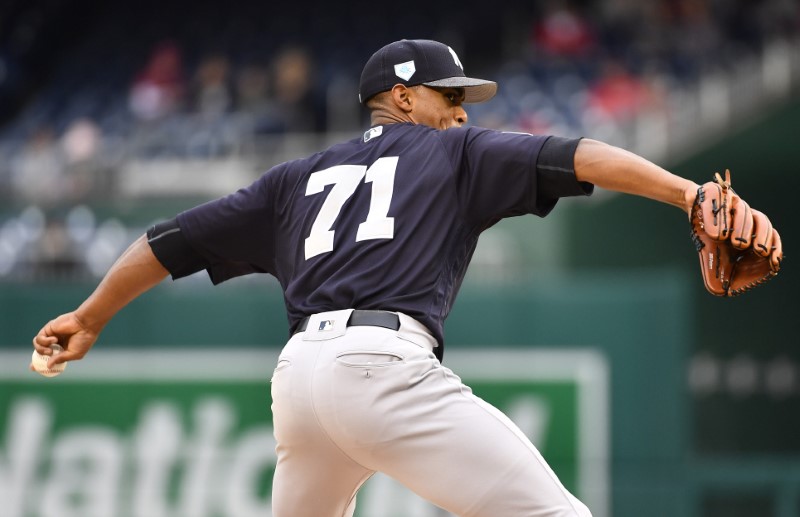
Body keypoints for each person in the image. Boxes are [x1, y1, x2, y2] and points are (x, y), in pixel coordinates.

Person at [30, 39, 774, 517]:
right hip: (382, 369)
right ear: (403, 97)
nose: (460, 112)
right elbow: (576, 155)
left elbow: (168, 241)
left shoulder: (296, 176)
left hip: (298, 384)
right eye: (449, 97)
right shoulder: (453, 153)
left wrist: (91, 316)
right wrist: (687, 193)